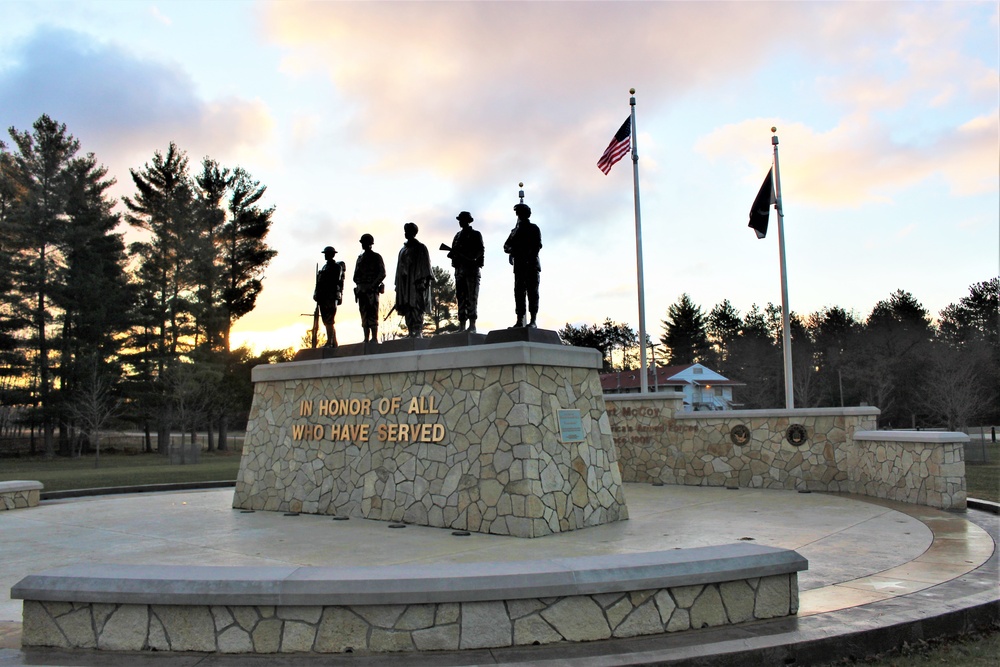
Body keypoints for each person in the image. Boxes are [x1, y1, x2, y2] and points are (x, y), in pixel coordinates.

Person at [503, 203, 542, 328]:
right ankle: (520, 320)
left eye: (521, 213)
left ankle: (533, 320)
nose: (519, 215)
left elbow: (537, 246)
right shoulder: (514, 231)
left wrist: (527, 256)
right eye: (518, 213)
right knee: (519, 293)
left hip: (531, 265)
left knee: (532, 292)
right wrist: (513, 251)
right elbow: (506, 246)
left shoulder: (534, 228)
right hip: (519, 266)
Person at [446, 211, 484, 333]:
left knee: (472, 298)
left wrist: (472, 259)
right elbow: (453, 253)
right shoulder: (457, 236)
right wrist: (453, 255)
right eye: (460, 220)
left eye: (462, 220)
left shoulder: (475, 234)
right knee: (460, 298)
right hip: (460, 271)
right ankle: (462, 325)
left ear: (468, 221)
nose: (460, 222)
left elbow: (480, 251)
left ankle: (472, 325)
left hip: (471, 271)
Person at [394, 222, 433, 338]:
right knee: (407, 307)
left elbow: (426, 267)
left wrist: (423, 281)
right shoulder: (402, 250)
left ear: (414, 233)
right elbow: (399, 268)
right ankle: (410, 331)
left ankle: (418, 331)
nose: (406, 233)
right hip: (404, 285)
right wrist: (398, 285)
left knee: (416, 306)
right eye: (405, 230)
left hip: (416, 284)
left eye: (409, 231)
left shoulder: (420, 248)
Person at [353, 233, 386, 343]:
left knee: (372, 314)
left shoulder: (376, 257)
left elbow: (382, 273)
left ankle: (374, 338)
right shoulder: (360, 259)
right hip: (362, 290)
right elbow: (355, 276)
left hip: (372, 290)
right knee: (364, 314)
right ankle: (366, 338)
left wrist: (372, 285)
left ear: (370, 244)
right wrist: (360, 285)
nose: (363, 245)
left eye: (365, 243)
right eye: (362, 243)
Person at [313, 246, 345, 347]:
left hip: (330, 296)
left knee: (329, 319)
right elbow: (318, 282)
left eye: (327, 254)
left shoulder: (337, 267)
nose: (325, 255)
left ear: (332, 255)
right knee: (326, 321)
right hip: (323, 296)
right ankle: (333, 342)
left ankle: (330, 342)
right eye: (325, 254)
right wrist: (316, 293)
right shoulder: (324, 267)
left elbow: (334, 280)